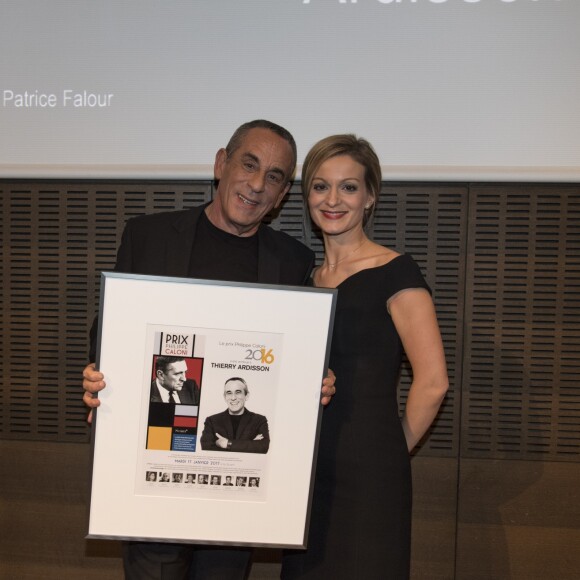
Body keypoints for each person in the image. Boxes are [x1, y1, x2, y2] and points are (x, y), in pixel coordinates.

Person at [82, 120, 336, 580]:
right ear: (222, 163)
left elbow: (292, 358)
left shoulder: (293, 260)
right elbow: (110, 331)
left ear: (282, 196)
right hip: (154, 467)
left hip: (234, 485)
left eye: (275, 177)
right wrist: (102, 375)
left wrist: (315, 377)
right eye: (250, 165)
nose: (258, 185)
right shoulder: (149, 236)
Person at [281, 135, 448, 579]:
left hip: (371, 473)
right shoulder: (302, 280)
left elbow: (433, 383)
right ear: (307, 196)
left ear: (370, 196)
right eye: (320, 186)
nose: (333, 199)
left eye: (348, 187)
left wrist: (392, 452)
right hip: (305, 473)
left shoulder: (397, 271)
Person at [200, 377, 269, 454]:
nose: (233, 398)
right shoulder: (212, 421)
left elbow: (263, 447)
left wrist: (227, 444)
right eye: (229, 393)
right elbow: (206, 448)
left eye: (238, 392)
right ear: (224, 397)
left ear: (246, 396)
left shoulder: (259, 420)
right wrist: (249, 444)